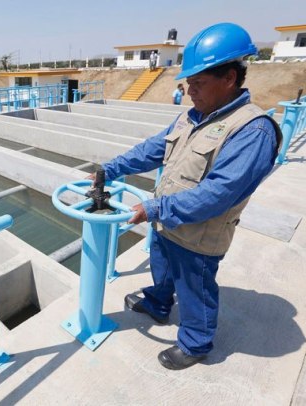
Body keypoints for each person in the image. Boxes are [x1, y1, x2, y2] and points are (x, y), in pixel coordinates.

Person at [92, 23, 282, 370]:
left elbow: (217, 195)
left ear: (229, 78)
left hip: (199, 236)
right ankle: (158, 303)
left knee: (195, 287)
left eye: (198, 83)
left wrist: (154, 207)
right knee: (163, 268)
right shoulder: (192, 117)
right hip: (168, 223)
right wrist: (110, 169)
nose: (190, 91)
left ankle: (196, 343)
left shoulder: (252, 131)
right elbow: (152, 150)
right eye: (188, 84)